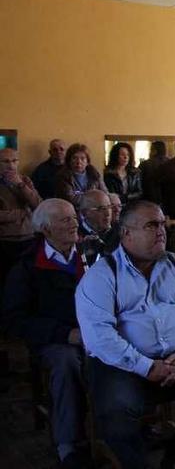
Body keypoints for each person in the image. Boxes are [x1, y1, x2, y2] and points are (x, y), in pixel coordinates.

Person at [75, 200, 175, 469]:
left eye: (162, 224)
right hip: (124, 365)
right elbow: (100, 337)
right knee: (115, 410)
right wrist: (146, 367)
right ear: (126, 234)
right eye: (151, 225)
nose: (161, 231)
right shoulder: (102, 275)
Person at [2, 198, 90, 468]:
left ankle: (123, 424)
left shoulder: (92, 256)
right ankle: (69, 444)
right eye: (65, 220)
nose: (75, 223)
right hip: (54, 339)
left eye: (74, 217)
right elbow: (14, 320)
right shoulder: (28, 267)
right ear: (46, 229)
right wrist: (66, 334)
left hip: (97, 333)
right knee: (66, 362)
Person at [0, 148, 41, 288]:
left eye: (14, 161)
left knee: (26, 281)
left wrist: (20, 185)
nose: (11, 165)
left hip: (28, 237)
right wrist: (23, 213)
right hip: (5, 240)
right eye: (5, 161)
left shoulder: (24, 180)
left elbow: (37, 204)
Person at [78, 189, 118, 265]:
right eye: (100, 209)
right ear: (84, 213)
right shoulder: (76, 236)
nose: (107, 213)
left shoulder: (120, 231)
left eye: (109, 207)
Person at [103, 142, 143, 206]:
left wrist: (125, 197)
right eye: (122, 154)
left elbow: (139, 192)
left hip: (131, 206)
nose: (125, 157)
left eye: (128, 155)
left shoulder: (135, 172)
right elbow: (108, 192)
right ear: (116, 156)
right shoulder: (108, 173)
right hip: (114, 205)